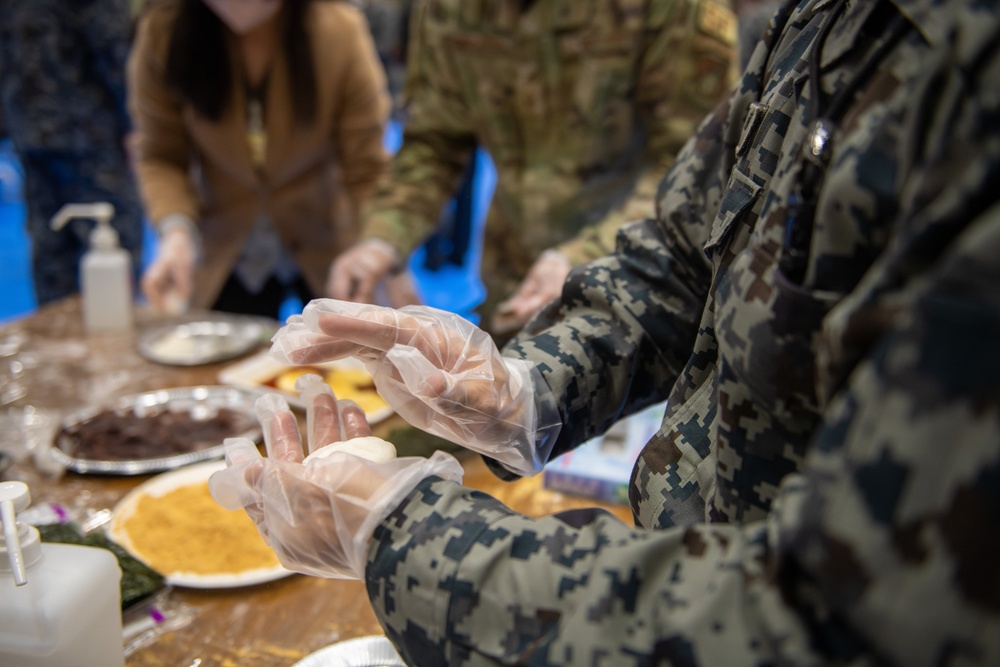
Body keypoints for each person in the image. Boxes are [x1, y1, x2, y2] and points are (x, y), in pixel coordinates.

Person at [210, 0, 1000, 663]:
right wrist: (530, 387)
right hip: (659, 531)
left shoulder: (970, 74)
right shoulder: (833, 18)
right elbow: (692, 253)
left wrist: (398, 536)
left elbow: (847, 614)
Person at [327, 0, 738, 339]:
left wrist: (581, 256)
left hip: (641, 293)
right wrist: (383, 239)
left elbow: (697, 166)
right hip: (514, 289)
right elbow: (436, 140)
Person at [128, 0, 391, 319]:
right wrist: (177, 232)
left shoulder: (337, 30)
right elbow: (162, 154)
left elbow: (366, 166)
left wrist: (382, 247)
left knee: (344, 358)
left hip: (324, 239)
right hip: (225, 244)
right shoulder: (164, 31)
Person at [0, 0, 145, 308]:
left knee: (54, 248)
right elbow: (116, 53)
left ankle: (62, 336)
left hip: (30, 129)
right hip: (91, 135)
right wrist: (135, 125)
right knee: (111, 247)